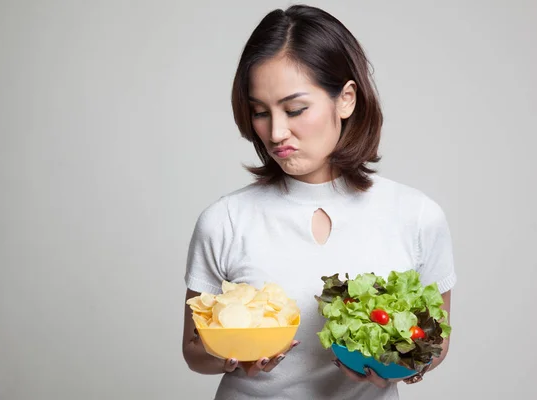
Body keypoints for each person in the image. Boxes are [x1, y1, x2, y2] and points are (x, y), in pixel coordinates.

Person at [182, 4, 457, 400]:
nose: (276, 132)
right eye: (259, 112)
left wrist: (406, 364)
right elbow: (193, 351)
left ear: (345, 99)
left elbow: (437, 341)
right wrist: (233, 357)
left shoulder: (416, 216)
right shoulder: (224, 220)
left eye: (295, 109)